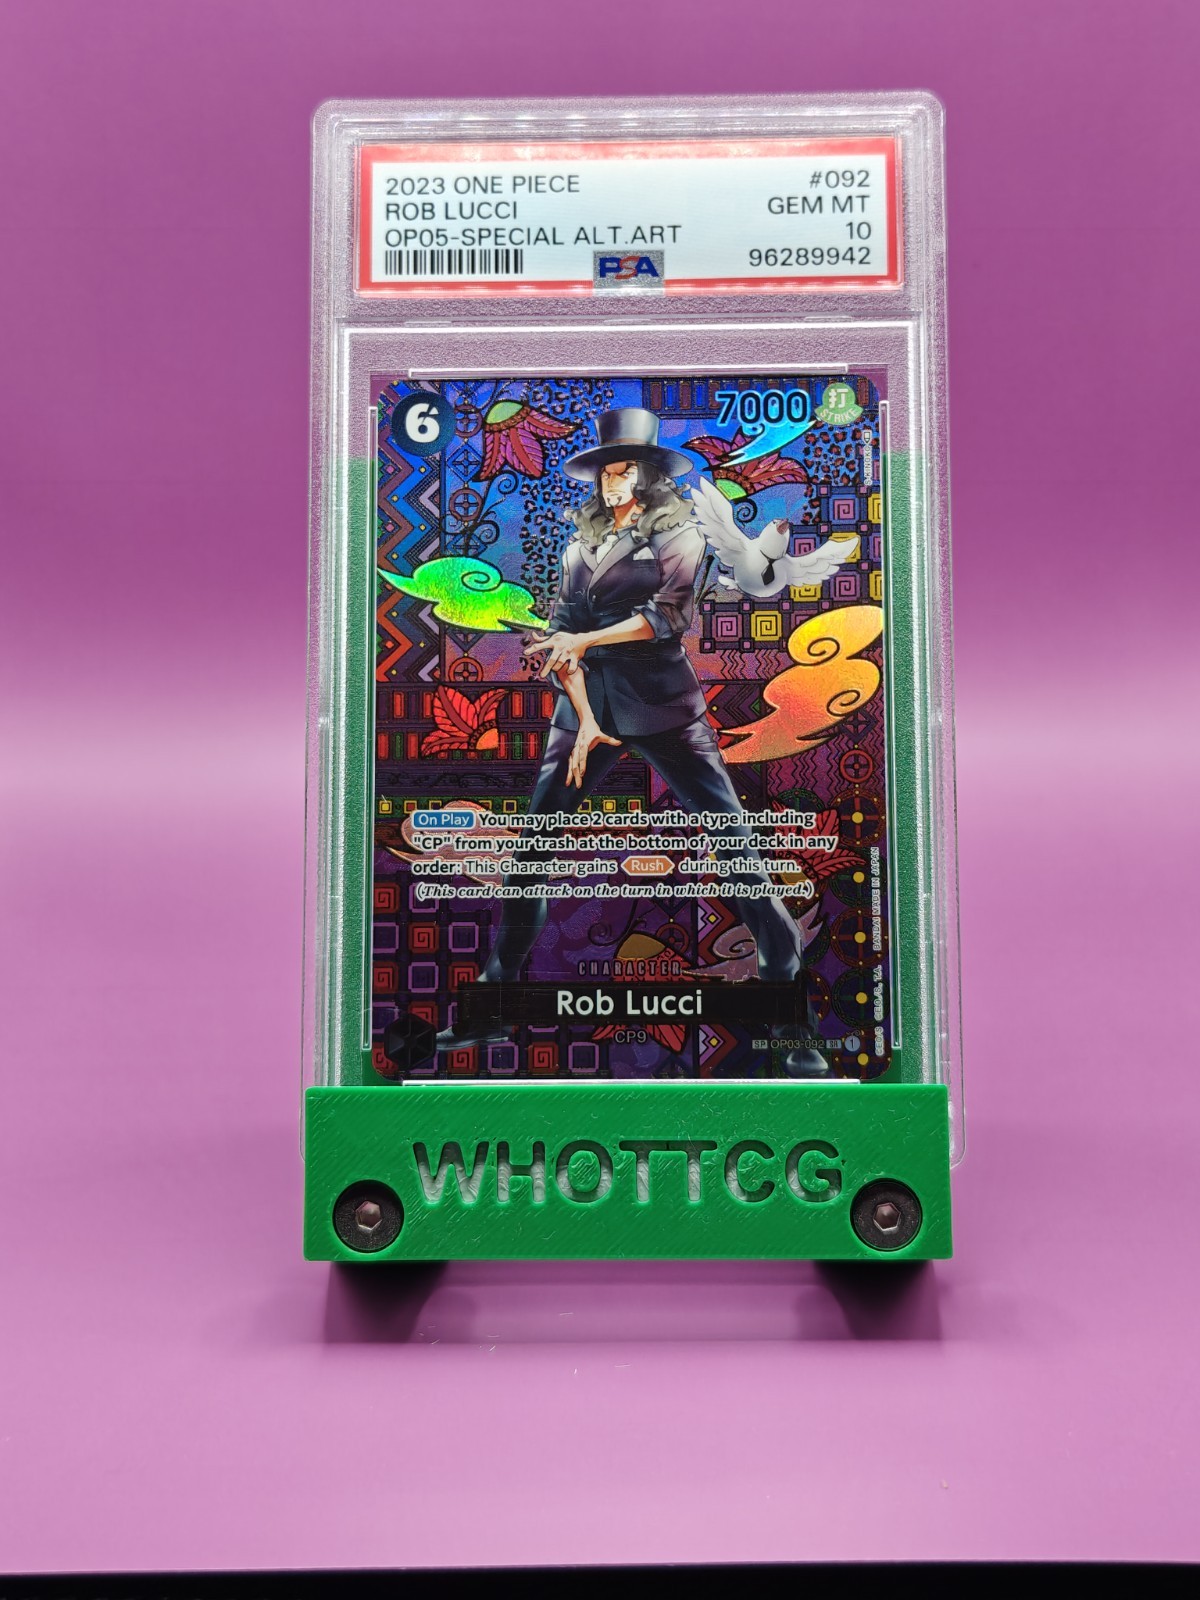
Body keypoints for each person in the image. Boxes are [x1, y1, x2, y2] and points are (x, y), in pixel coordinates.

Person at [437, 407, 827, 1075]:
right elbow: (562, 634)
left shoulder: (681, 537)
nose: (612, 483)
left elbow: (666, 618)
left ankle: (787, 1001)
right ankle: (495, 996)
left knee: (731, 841)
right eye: (605, 473)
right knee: (532, 850)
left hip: (663, 707)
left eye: (623, 471)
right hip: (586, 708)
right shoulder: (578, 548)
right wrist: (584, 715)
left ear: (648, 477)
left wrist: (585, 639)